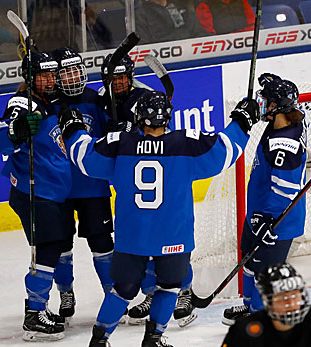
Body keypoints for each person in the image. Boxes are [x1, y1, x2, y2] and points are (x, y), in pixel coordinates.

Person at [57, 90, 260, 346]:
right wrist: (242, 121)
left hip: (133, 236)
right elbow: (225, 150)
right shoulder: (186, 143)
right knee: (170, 285)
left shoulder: (120, 143)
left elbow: (83, 157)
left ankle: (99, 339)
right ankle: (154, 338)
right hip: (173, 234)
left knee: (123, 289)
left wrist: (73, 128)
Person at [99, 53, 199, 328]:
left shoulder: (144, 95)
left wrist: (129, 133)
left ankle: (183, 293)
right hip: (131, 174)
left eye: (122, 77)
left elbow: (160, 131)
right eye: (113, 78)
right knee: (146, 239)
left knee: (168, 236)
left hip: (159, 167)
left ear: (130, 76)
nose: (118, 83)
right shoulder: (101, 98)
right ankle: (154, 294)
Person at [0, 51, 69, 341]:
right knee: (48, 247)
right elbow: (1, 136)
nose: (49, 80)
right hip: (33, 190)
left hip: (49, 190)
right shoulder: (23, 102)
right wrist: (17, 131)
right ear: (30, 77)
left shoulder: (49, 101)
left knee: (53, 246)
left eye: (51, 74)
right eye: (43, 75)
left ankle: (38, 308)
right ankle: (34, 314)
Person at [222, 74, 308, 326]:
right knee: (248, 261)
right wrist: (275, 83)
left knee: (265, 273)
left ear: (279, 106)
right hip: (258, 212)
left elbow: (285, 189)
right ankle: (250, 307)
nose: (262, 105)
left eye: (267, 101)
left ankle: (261, 318)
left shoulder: (285, 145)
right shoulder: (287, 120)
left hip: (276, 222)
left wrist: (266, 220)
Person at [48, 46, 118, 320]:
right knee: (61, 245)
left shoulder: (96, 99)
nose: (74, 76)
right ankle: (66, 292)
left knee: (101, 242)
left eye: (77, 69)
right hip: (60, 189)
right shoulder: (49, 104)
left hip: (93, 186)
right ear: (56, 76)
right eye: (67, 72)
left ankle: (112, 293)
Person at [221, 262, 311, 347]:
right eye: (283, 298)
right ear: (267, 301)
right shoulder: (245, 332)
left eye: (295, 295)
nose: (292, 303)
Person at [135, 0, 210, 44]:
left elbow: (198, 31)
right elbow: (143, 44)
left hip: (191, 54)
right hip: (165, 61)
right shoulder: (141, 14)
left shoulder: (181, 5)